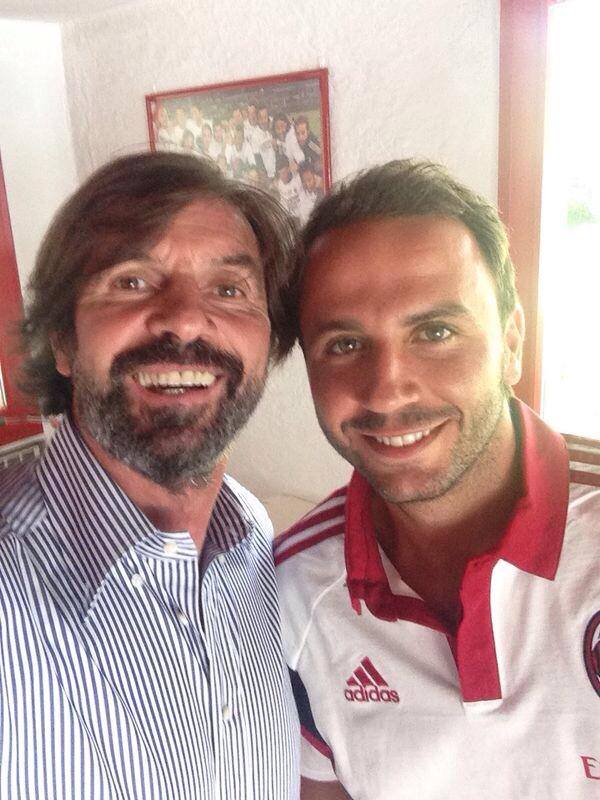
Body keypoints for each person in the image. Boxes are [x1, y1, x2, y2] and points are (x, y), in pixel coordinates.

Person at [274, 159, 600, 799]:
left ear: (511, 342)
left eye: (435, 331)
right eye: (344, 344)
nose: (387, 390)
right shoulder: (293, 591)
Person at [0, 152, 300, 799]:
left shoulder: (255, 539)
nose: (185, 319)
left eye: (229, 289)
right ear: (62, 339)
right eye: (132, 281)